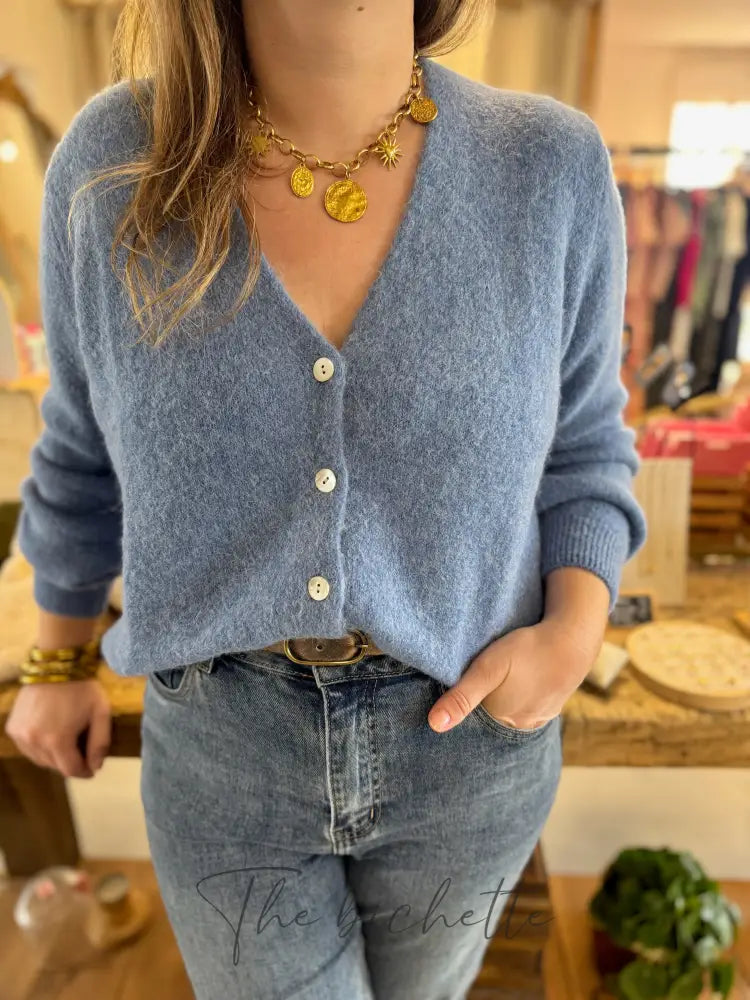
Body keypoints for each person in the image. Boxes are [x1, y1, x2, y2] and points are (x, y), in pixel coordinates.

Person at [6, 0, 647, 997]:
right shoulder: (116, 160)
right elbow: (82, 441)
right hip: (223, 751)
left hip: (468, 750)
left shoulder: (548, 167)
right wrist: (57, 656)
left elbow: (587, 447)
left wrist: (574, 629)